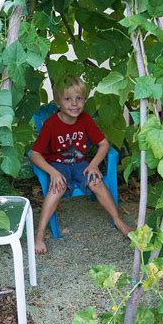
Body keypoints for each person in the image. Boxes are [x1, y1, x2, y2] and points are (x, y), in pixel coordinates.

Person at [30, 75, 134, 254]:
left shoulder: (85, 119)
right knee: (56, 189)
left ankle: (119, 222)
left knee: (96, 182)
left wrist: (93, 164)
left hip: (81, 163)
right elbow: (34, 154)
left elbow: (104, 144)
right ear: (58, 102)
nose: (74, 104)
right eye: (68, 99)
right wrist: (52, 172)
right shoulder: (50, 125)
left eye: (79, 98)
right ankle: (39, 235)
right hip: (58, 165)